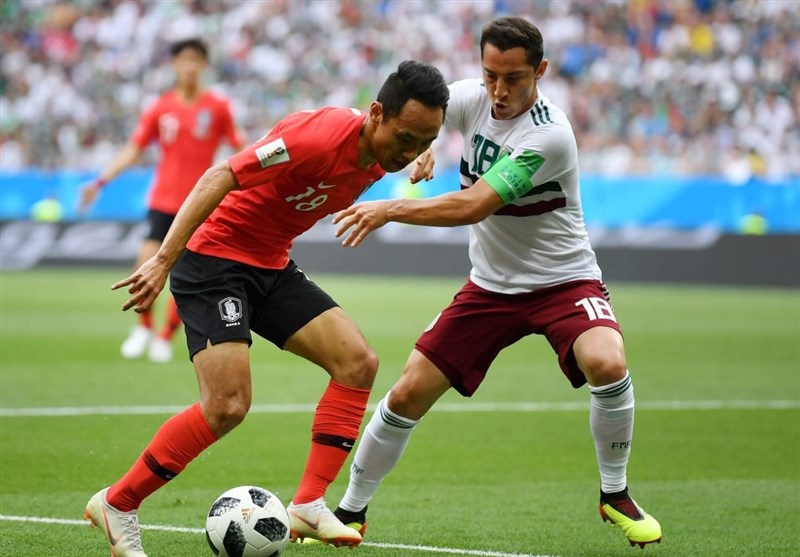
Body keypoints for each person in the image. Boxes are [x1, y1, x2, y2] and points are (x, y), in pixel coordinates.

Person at [83, 59, 449, 557]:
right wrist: (163, 260)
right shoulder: (316, 138)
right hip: (214, 260)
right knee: (227, 406)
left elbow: (423, 130)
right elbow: (220, 174)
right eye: (405, 139)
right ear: (376, 113)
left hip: (270, 263)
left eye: (423, 142)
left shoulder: (392, 147)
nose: (408, 154)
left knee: (357, 363)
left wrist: (424, 150)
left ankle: (309, 504)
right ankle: (118, 502)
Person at [330, 17, 662, 549]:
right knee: (408, 391)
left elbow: (475, 204)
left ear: (540, 71)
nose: (499, 91)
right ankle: (349, 512)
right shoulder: (471, 98)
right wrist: (424, 146)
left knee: (607, 361)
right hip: (489, 286)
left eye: (514, 78)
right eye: (490, 75)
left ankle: (614, 492)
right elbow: (424, 120)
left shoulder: (550, 135)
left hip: (564, 280)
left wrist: (389, 208)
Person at [79, 37, 243, 363]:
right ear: (174, 64)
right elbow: (134, 148)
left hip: (198, 203)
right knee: (144, 264)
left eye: (196, 60)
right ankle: (143, 327)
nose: (189, 66)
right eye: (184, 59)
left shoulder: (217, 107)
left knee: (186, 276)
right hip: (163, 202)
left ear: (204, 65)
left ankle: (165, 336)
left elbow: (239, 146)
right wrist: (100, 181)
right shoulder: (161, 107)